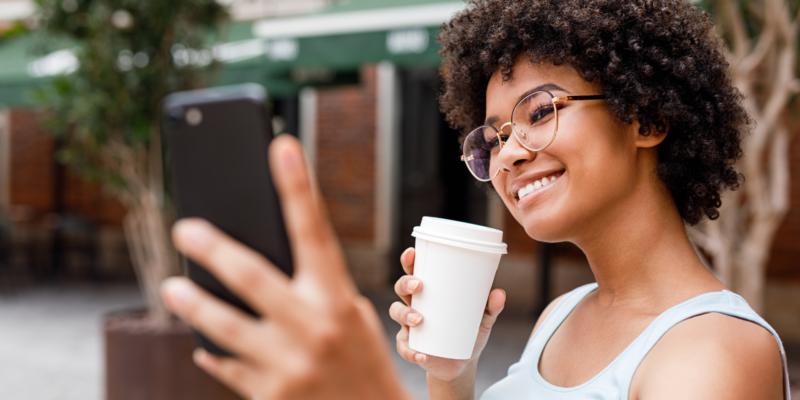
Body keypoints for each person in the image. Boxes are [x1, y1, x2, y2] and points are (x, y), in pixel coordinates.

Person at [161, 0, 791, 399]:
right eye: (494, 135)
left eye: (539, 111)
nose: (510, 154)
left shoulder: (716, 355)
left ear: (645, 119)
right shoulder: (560, 317)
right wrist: (449, 374)